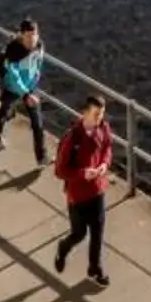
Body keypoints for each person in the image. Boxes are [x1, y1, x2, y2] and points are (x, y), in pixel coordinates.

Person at [50, 96, 113, 288]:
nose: (99, 118)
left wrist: (104, 164)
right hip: (78, 195)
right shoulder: (72, 138)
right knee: (79, 233)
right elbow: (60, 171)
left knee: (98, 232)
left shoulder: (103, 127)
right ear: (85, 112)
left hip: (97, 189)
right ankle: (63, 247)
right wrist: (82, 173)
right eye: (96, 114)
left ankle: (95, 268)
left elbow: (107, 148)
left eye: (101, 114)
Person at [0, 19, 50, 166]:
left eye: (35, 34)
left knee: (38, 123)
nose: (33, 38)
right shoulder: (14, 52)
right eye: (29, 35)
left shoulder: (39, 45)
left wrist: (36, 76)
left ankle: (41, 156)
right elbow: (13, 75)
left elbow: (39, 62)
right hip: (13, 86)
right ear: (22, 35)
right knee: (6, 108)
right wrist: (25, 94)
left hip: (30, 86)